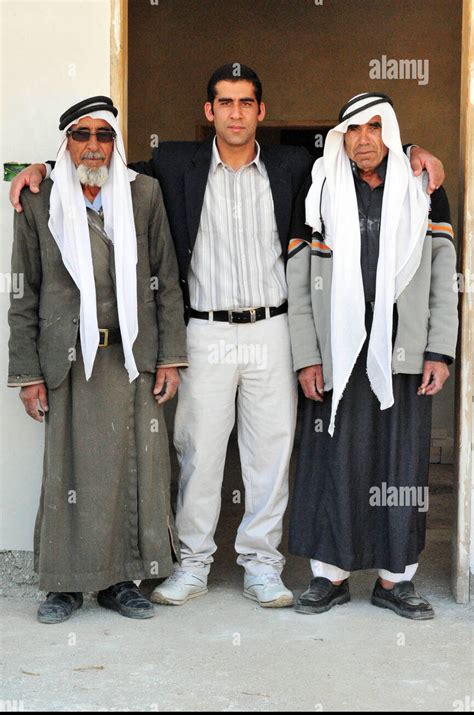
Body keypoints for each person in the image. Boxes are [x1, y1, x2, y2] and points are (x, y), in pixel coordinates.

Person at [9, 70, 445, 609]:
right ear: (208, 109)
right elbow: (100, 163)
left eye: (245, 103)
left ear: (261, 111)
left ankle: (262, 566)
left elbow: (359, 149)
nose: (235, 113)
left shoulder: (295, 166)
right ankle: (192, 565)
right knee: (198, 452)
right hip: (204, 331)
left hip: (273, 328)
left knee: (270, 453)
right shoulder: (172, 164)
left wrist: (413, 148)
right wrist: (42, 168)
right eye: (224, 103)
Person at [8, 96, 188, 623]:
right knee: (67, 473)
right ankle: (63, 587)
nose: (93, 145)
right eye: (82, 135)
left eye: (104, 136)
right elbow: (25, 294)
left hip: (132, 359)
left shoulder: (144, 194)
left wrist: (170, 359)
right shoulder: (39, 201)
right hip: (66, 361)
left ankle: (121, 581)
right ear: (66, 142)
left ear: (116, 144)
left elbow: (167, 282)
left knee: (134, 472)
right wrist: (27, 375)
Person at [286, 92, 458, 619]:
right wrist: (307, 355)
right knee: (331, 460)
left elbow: (443, 275)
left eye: (375, 127)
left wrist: (439, 349)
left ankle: (394, 580)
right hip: (337, 353)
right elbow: (298, 278)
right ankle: (330, 577)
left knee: (400, 464)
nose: (364, 139)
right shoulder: (317, 188)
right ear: (343, 136)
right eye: (354, 129)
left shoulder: (424, 190)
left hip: (401, 351)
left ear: (391, 132)